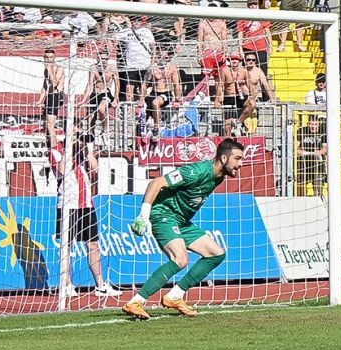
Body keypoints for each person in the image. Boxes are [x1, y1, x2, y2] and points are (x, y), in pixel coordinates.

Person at [122, 137, 245, 319]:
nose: (241, 164)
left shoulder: (218, 177)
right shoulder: (195, 172)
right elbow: (156, 183)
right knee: (180, 258)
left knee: (216, 253)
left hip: (181, 221)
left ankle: (174, 296)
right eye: (238, 158)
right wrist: (143, 215)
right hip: (164, 214)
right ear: (224, 158)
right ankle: (136, 301)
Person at [51, 130, 119, 298]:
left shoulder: (83, 154)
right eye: (76, 137)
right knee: (67, 246)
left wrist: (86, 150)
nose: (79, 141)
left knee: (93, 244)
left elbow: (96, 169)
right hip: (67, 205)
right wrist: (69, 148)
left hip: (86, 204)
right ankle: (66, 284)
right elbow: (60, 170)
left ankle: (100, 285)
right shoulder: (56, 150)